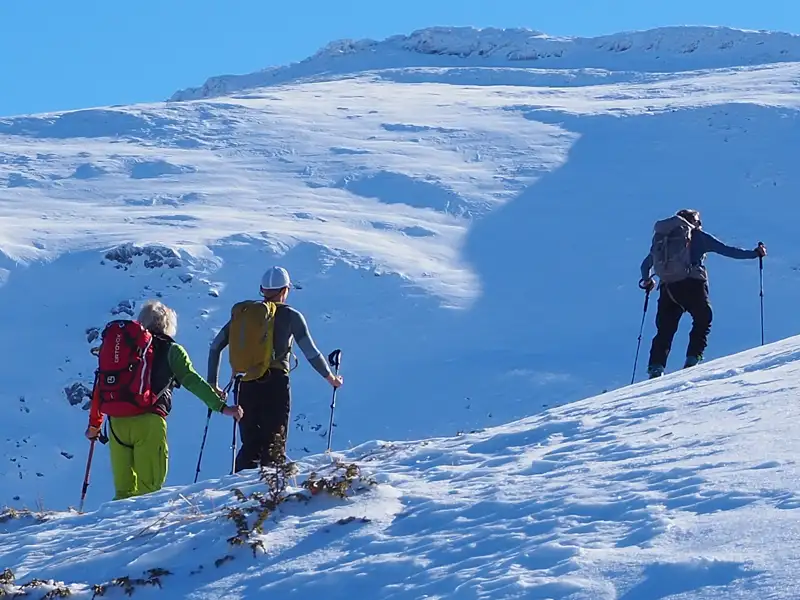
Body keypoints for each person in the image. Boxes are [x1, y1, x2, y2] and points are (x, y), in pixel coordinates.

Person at [85, 300, 243, 500]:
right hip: (149, 422)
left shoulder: (123, 350)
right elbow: (192, 380)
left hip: (116, 423)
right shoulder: (172, 350)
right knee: (149, 491)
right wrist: (221, 407)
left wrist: (94, 425)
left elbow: (101, 386)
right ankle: (144, 530)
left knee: (123, 493)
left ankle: (118, 531)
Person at [207, 266, 343, 472]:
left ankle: (237, 496)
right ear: (285, 290)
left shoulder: (245, 316)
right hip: (276, 383)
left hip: (244, 383)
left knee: (250, 445)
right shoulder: (291, 316)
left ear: (262, 289)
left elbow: (215, 346)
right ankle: (271, 495)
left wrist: (212, 383)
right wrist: (330, 377)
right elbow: (310, 351)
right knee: (274, 444)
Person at [639, 209, 766, 379]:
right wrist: (755, 253)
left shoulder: (663, 239)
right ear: (695, 222)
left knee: (665, 330)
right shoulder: (697, 236)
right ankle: (692, 359)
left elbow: (645, 265)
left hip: (667, 289)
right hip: (693, 285)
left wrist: (647, 281)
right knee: (703, 318)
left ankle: (656, 367)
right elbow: (728, 250)